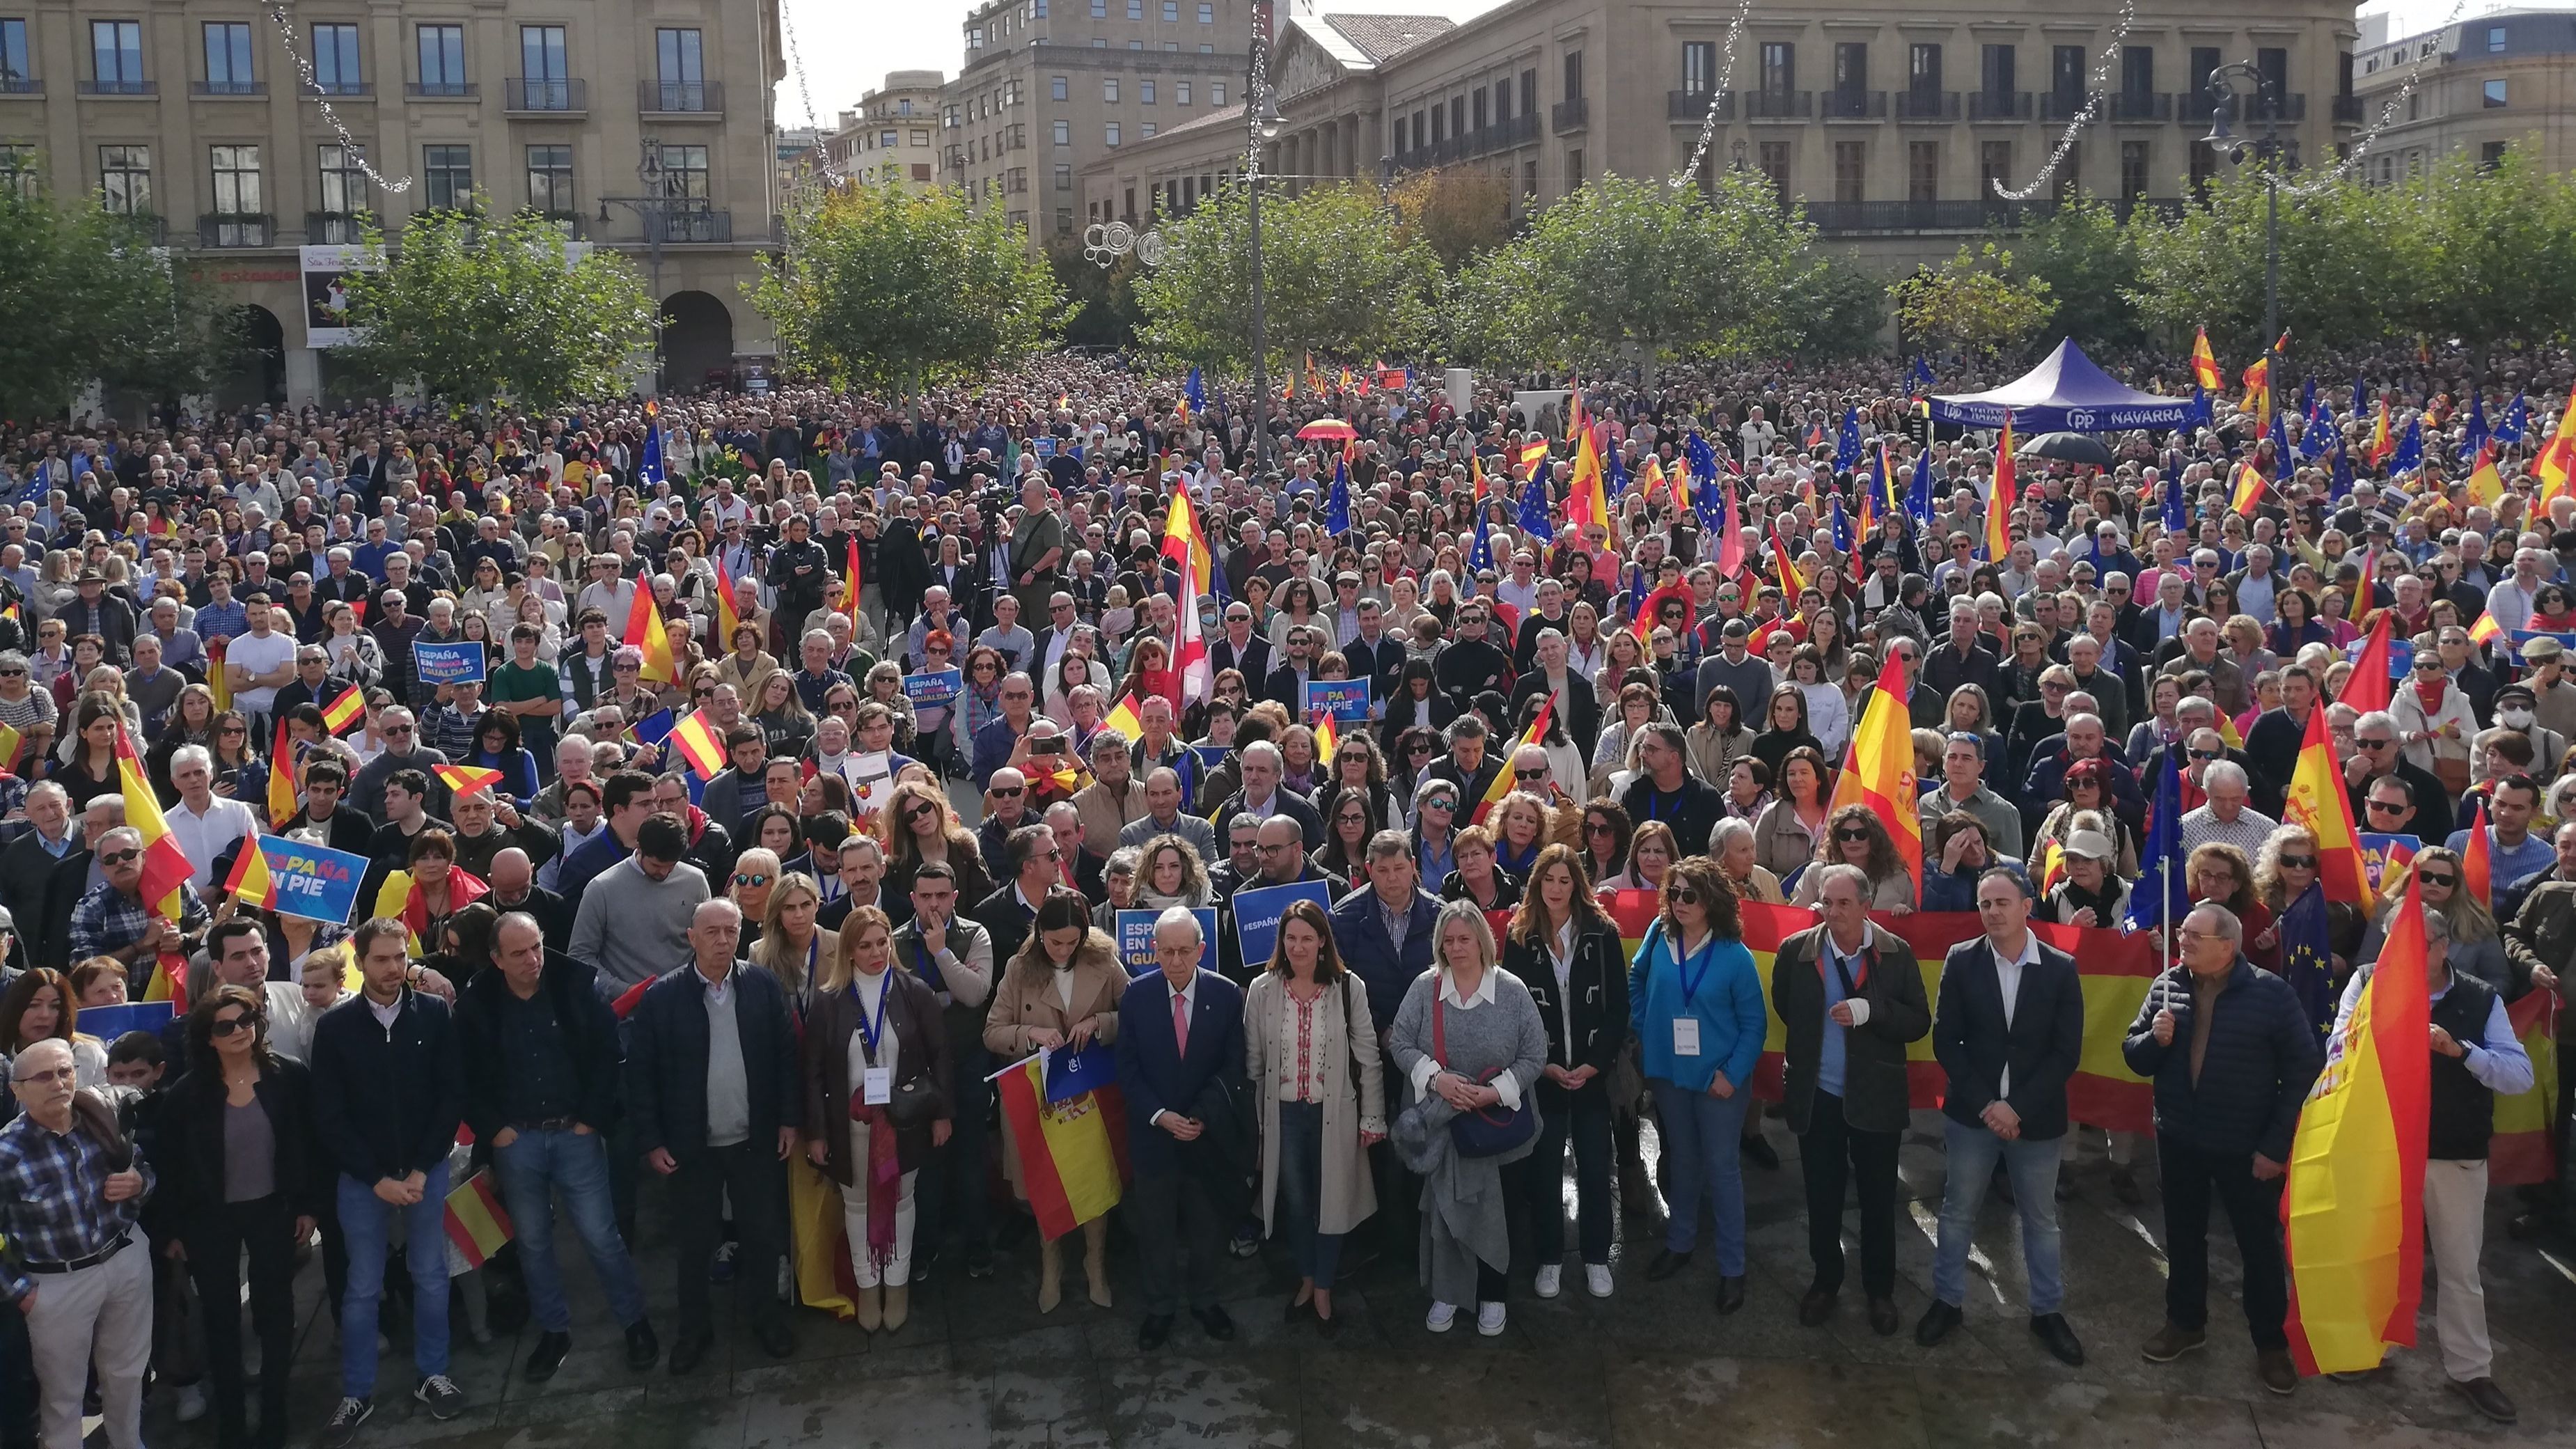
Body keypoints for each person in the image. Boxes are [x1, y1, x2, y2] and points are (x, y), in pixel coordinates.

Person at [2327, 908, 2530, 1422]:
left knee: (2460, 1269)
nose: (2403, 954)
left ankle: (2471, 1371)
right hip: (2384, 1147)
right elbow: (2335, 1049)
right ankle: (2372, 1350)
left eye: (2417, 943)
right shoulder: (2367, 980)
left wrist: (2461, 1051)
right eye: (2395, 942)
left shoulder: (2481, 997)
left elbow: (2518, 1075)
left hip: (2454, 1153)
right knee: (2379, 1255)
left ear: (2444, 945)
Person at [2121, 902, 2323, 1396]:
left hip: (2246, 1145)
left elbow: (2303, 1069)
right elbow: (2134, 1054)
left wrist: (2275, 1146)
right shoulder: (2168, 984)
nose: (2181, 940)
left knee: (2258, 1247)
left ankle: (2271, 1345)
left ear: (2227, 945)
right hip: (2180, 1138)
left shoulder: (2271, 994)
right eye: (2183, 933)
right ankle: (2185, 1323)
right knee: (2184, 1237)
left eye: (2193, 935)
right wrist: (2154, 1038)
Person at [456, 913, 658, 1381]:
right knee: (532, 1242)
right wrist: (495, 1129)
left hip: (575, 1133)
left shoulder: (574, 986)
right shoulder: (478, 1004)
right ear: (496, 959)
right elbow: (465, 1075)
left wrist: (590, 1118)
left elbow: (608, 1054)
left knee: (601, 1236)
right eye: (519, 953)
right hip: (516, 1140)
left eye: (537, 947)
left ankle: (635, 1322)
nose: (533, 960)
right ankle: (554, 1330)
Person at [307, 916, 468, 1446]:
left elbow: (450, 1095)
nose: (394, 968)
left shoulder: (436, 1014)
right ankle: (356, 1391)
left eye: (400, 957)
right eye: (381, 959)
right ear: (359, 961)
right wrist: (375, 1177)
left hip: (426, 1169)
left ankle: (432, 1374)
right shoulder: (333, 1029)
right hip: (364, 1180)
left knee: (430, 1273)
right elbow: (328, 1116)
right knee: (361, 1288)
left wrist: (423, 1167)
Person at [622, 899, 801, 1372]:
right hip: (691, 1148)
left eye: (732, 930)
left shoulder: (762, 985)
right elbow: (640, 1076)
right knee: (694, 1243)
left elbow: (787, 1058)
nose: (723, 940)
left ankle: (765, 1318)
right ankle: (694, 1330)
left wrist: (788, 1119)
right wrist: (652, 1140)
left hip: (755, 1140)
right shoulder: (662, 998)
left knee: (763, 1236)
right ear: (692, 937)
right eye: (713, 932)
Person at [1918, 868, 2087, 1366]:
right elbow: (1947, 1039)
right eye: (1985, 902)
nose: (1992, 911)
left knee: (2040, 1219)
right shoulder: (1962, 960)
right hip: (1974, 1117)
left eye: (2002, 902)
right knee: (1956, 1212)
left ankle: (2047, 1312)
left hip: (2036, 1120)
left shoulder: (2060, 967)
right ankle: (1947, 1301)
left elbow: (2065, 1052)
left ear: (2027, 906)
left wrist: (2018, 1107)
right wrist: (1989, 1105)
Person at [145, 985, 323, 1449]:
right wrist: (171, 1231)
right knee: (221, 1320)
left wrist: (307, 1204)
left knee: (276, 1311)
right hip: (210, 1220)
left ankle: (275, 1414)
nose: (239, 1031)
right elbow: (169, 1166)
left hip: (273, 1210)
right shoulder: (186, 1096)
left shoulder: (289, 1076)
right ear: (208, 1037)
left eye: (246, 1019)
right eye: (226, 1025)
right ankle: (230, 1421)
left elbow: (307, 1144)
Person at [1771, 863, 1931, 1336]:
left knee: (1879, 1199)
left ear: (1866, 905)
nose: (1833, 911)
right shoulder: (1796, 951)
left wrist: (1872, 1011)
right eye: (1826, 901)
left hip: (1875, 1096)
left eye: (1844, 903)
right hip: (1816, 1094)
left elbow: (1919, 1021)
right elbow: (1787, 1006)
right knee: (1822, 1196)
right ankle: (1826, 1280)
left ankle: (1879, 1290)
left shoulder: (1896, 952)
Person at [1386, 900, 1546, 1336]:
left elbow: (1535, 1055)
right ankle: (1448, 1292)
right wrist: (1437, 1081)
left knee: (1501, 1214)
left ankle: (1493, 1294)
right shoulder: (1425, 988)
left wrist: (1492, 1093)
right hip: (1444, 1129)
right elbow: (1400, 1042)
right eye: (1449, 940)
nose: (1457, 948)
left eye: (1465, 939)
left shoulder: (1512, 991)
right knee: (1443, 1214)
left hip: (1498, 1132)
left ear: (1482, 941)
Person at [803, 904, 951, 1333]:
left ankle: (898, 1283)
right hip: (849, 1127)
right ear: (848, 951)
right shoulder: (829, 1002)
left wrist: (942, 1114)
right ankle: (868, 1285)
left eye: (882, 942)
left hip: (904, 1122)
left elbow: (940, 1057)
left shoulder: (915, 991)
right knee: (856, 1205)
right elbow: (811, 1072)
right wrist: (815, 1133)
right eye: (864, 946)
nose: (875, 953)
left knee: (904, 1200)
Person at [1628, 857, 1766, 1312]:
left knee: (1723, 1170)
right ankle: (1681, 1241)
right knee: (1682, 1160)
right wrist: (1646, 1027)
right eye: (1674, 893)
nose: (1680, 902)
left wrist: (1732, 1074)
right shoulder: (1659, 935)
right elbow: (1636, 978)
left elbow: (1753, 1024)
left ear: (1712, 901)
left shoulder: (1734, 954)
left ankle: (1732, 1266)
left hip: (1718, 1081)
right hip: (1670, 1076)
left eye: (1691, 894)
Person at [0, 1036, 152, 1449]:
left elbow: (143, 1167)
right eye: (44, 1076)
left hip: (124, 1257)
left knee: (126, 1373)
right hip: (55, 1284)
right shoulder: (7, 1151)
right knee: (62, 1396)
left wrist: (140, 1182)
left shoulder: (100, 1117)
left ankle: (128, 1443)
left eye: (65, 1071)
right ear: (18, 1089)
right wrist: (18, 1291)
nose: (59, 1083)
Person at [1243, 898, 1383, 1337]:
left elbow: (1369, 1057)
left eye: (1307, 937)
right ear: (1281, 942)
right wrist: (1258, 1131)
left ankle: (1323, 1287)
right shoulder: (1261, 989)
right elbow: (1253, 1064)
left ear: (1323, 941)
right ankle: (1306, 1279)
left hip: (1333, 1114)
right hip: (1282, 1116)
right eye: (1291, 938)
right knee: (1299, 1206)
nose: (1298, 946)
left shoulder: (1347, 987)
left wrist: (1372, 1117)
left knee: (1333, 1204)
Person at [981, 889, 1124, 1311]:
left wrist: (1101, 1021)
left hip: (1091, 1092)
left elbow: (1134, 1010)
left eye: (1071, 941)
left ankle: (1095, 1264)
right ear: (1039, 933)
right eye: (1054, 941)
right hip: (1042, 1098)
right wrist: (1031, 1035)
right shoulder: (1019, 967)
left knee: (1096, 1178)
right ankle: (1052, 1266)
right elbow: (992, 1031)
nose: (1063, 949)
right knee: (1047, 1183)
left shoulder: (1103, 960)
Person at [1115, 906, 1248, 1350]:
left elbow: (1235, 1068)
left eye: (1184, 951)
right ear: (1154, 951)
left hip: (1206, 1137)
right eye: (1166, 951)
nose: (1175, 961)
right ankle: (1160, 1307)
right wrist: (1160, 1116)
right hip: (1155, 1137)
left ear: (1201, 951)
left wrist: (1200, 1117)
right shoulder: (1135, 997)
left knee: (1208, 1225)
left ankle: (1206, 1300)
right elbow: (1128, 1070)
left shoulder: (1228, 996)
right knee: (1155, 1228)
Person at [1500, 843, 1628, 1301]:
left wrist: (1598, 1061)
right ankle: (1550, 1258)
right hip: (1544, 1075)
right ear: (1537, 884)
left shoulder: (1602, 932)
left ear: (1578, 884)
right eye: (1548, 879)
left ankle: (1596, 1256)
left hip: (1592, 1075)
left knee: (1596, 1168)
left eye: (1565, 880)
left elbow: (1618, 1008)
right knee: (1544, 1170)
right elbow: (1512, 1012)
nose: (1556, 888)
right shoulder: (1519, 936)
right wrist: (1543, 1064)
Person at [890, 861, 998, 1282]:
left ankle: (977, 1247)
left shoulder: (975, 934)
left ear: (955, 897)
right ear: (913, 898)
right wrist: (944, 994)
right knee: (926, 1165)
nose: (933, 904)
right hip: (919, 1069)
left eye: (942, 896)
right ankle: (925, 1249)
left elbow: (974, 994)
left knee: (971, 1158)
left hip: (968, 1060)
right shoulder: (895, 941)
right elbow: (900, 1006)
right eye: (925, 896)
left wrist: (941, 954)